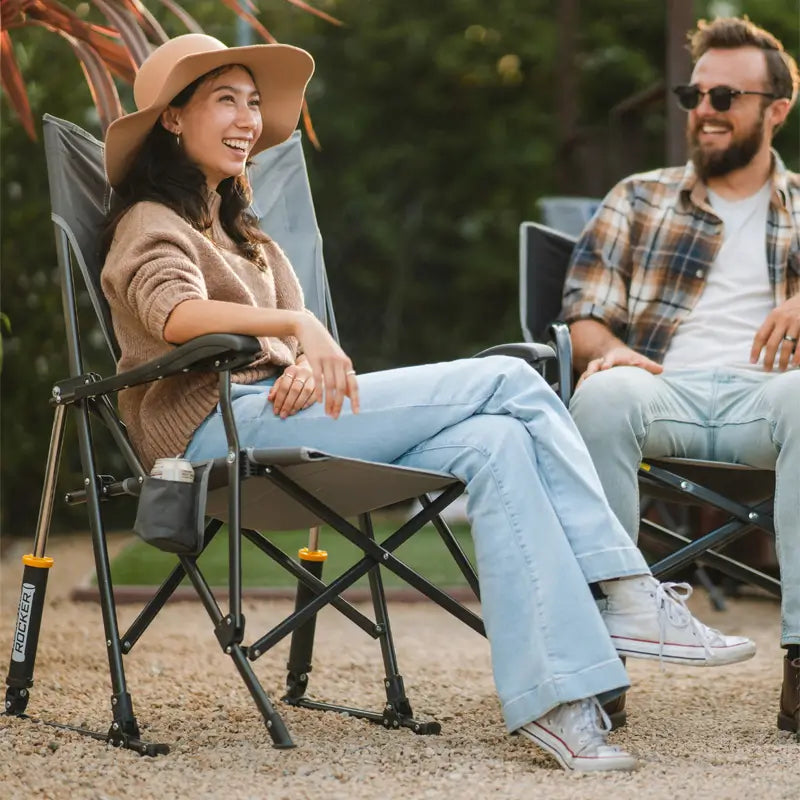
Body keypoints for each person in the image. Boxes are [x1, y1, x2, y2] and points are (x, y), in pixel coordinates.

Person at [101, 34, 755, 773]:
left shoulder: (253, 241)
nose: (248, 118)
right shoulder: (149, 222)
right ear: (174, 120)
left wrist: (302, 364)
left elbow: (282, 361)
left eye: (254, 102)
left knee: (496, 443)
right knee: (508, 381)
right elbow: (175, 316)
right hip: (209, 441)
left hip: (273, 425)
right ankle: (626, 588)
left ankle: (557, 702)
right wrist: (294, 325)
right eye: (226, 99)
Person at [562, 16, 799, 737]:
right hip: (661, 387)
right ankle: (598, 656)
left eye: (725, 96)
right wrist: (608, 349)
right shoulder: (639, 196)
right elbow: (583, 321)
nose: (704, 110)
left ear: (776, 110)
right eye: (693, 94)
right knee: (601, 391)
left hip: (777, 397)